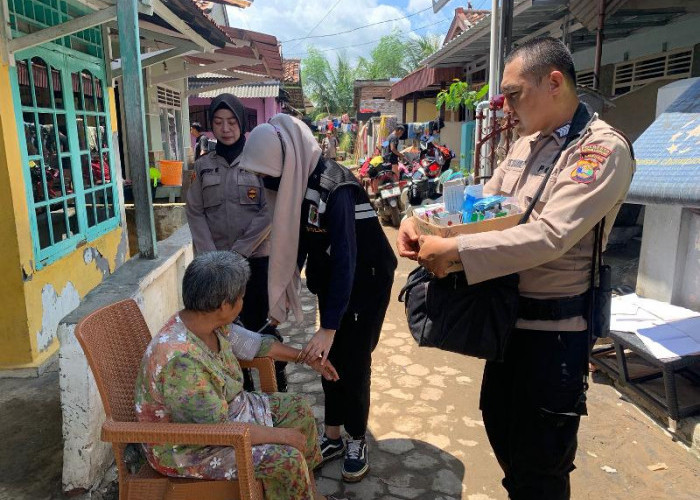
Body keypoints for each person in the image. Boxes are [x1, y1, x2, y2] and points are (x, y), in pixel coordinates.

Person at [397, 37, 635, 500]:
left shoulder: (600, 151)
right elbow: (482, 203)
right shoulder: (526, 145)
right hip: (506, 322)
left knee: (541, 467)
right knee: (502, 429)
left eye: (513, 93)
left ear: (554, 82)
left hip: (555, 336)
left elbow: (550, 235)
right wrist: (423, 222)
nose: (505, 105)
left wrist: (457, 254)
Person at [239, 113, 397, 483]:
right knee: (328, 358)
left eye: (267, 174)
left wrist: (327, 327)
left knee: (352, 362)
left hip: (365, 282)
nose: (265, 182)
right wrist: (278, 305)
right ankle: (332, 436)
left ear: (286, 160)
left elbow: (347, 260)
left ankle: (356, 440)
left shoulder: (334, 187)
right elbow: (296, 247)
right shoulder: (296, 184)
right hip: (333, 283)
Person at [135, 251, 345, 500]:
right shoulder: (180, 360)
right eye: (242, 297)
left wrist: (306, 358)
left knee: (297, 409)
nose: (243, 302)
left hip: (229, 414)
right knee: (286, 458)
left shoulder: (208, 322)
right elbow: (217, 430)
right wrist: (282, 436)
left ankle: (306, 493)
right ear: (224, 304)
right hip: (191, 448)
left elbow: (256, 345)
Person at [186, 94, 287, 391]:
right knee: (224, 329)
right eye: (218, 122)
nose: (225, 128)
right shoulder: (204, 166)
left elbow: (269, 210)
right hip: (217, 266)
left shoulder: (259, 160)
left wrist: (239, 252)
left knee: (261, 323)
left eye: (231, 122)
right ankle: (242, 388)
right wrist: (209, 257)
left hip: (256, 260)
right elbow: (196, 210)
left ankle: (275, 380)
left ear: (242, 123)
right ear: (211, 127)